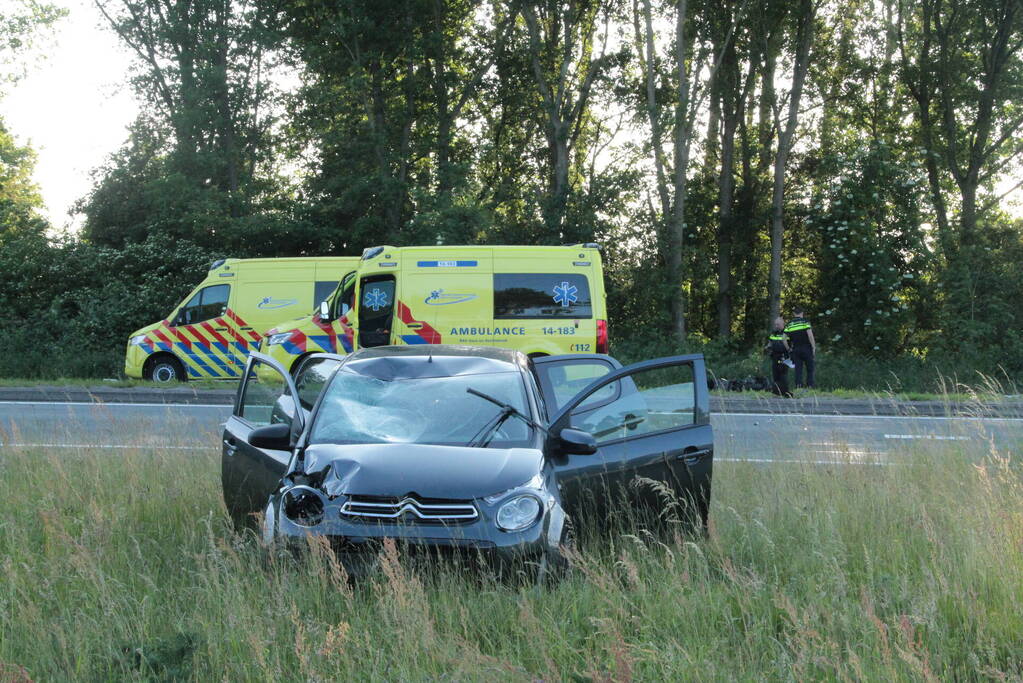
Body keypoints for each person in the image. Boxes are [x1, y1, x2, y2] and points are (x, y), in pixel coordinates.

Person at [784, 307, 816, 388]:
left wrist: (788, 349)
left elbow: (783, 339)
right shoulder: (805, 322)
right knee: (810, 368)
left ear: (794, 314)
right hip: (806, 348)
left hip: (795, 349)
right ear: (802, 313)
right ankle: (810, 386)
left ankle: (799, 386)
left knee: (798, 369)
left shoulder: (789, 324)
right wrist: (813, 347)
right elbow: (810, 335)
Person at [766, 317, 793, 398]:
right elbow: (770, 343)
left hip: (784, 356)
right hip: (774, 356)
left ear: (783, 324)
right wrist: (767, 348)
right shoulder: (773, 333)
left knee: (783, 375)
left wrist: (791, 352)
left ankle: (786, 392)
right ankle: (776, 392)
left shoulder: (787, 332)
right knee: (775, 375)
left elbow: (792, 343)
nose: (776, 326)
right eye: (775, 324)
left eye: (778, 324)